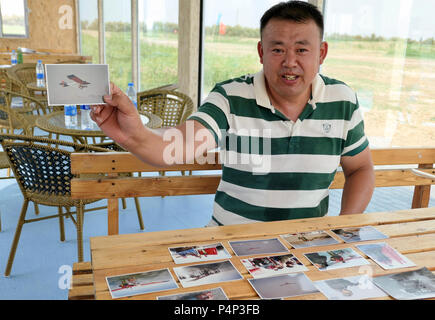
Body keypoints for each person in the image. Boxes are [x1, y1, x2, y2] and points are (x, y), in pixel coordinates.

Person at [90, 1, 375, 227]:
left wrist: (344, 228)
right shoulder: (230, 97)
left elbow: (360, 168)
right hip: (232, 244)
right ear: (261, 52)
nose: (290, 62)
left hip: (305, 248)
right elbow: (176, 147)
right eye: (278, 49)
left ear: (321, 53)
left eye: (302, 49)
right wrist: (133, 133)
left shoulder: (343, 100)